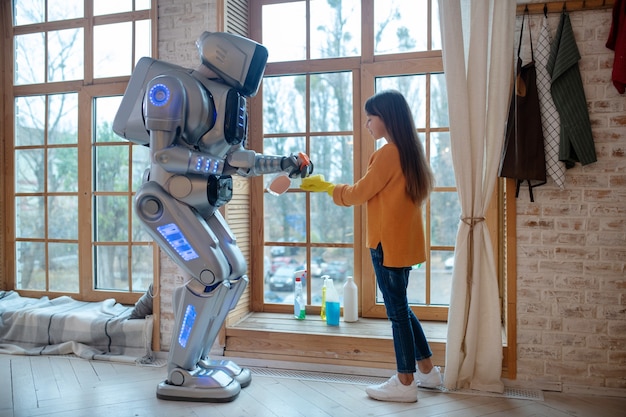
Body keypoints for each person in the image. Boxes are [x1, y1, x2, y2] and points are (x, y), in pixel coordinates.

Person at [301, 89, 442, 403]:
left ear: (386, 118)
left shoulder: (389, 153)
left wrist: (326, 187)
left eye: (370, 118)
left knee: (397, 313)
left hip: (387, 245)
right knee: (401, 308)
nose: (367, 124)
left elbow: (358, 193)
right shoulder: (409, 151)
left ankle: (405, 383)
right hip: (403, 244)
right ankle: (428, 371)